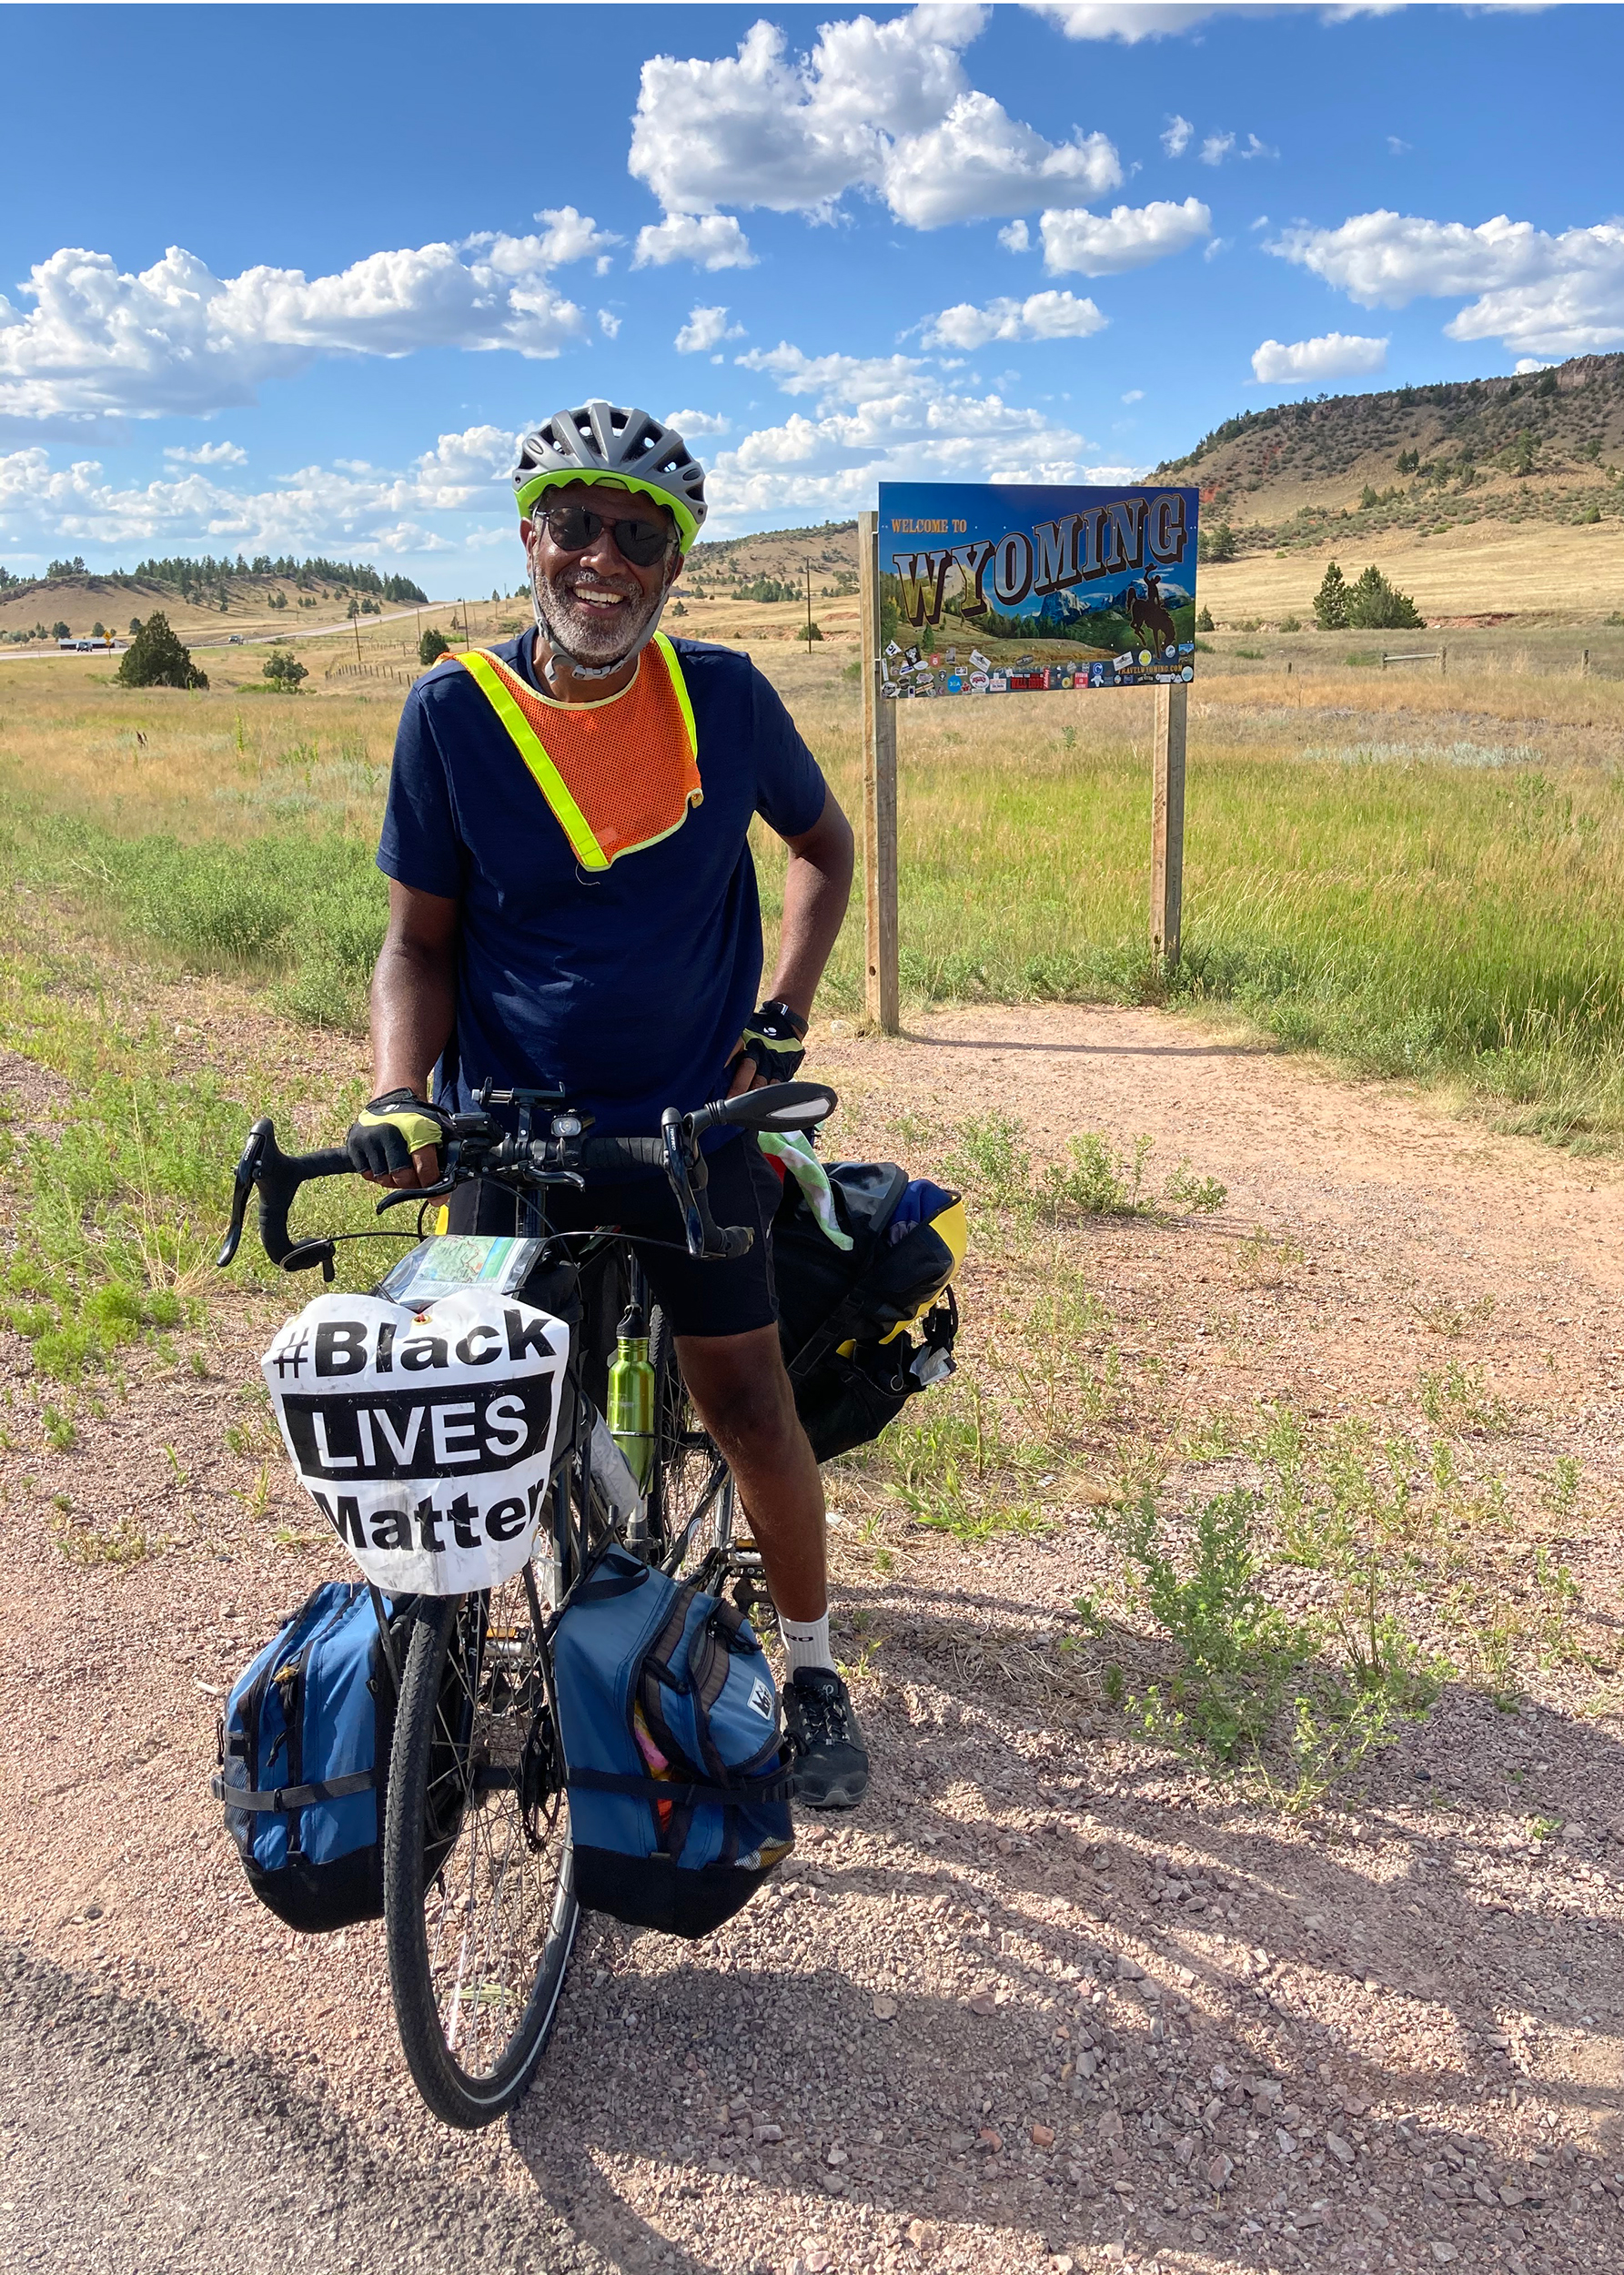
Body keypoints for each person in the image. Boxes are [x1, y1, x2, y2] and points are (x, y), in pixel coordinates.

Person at [348, 401, 866, 1809]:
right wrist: (400, 1095)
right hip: (503, 1130)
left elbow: (822, 849)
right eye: (574, 524)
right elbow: (417, 942)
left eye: (639, 536)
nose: (602, 559)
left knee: (749, 1402)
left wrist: (779, 1016)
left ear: (672, 565)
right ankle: (427, 1688)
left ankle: (812, 1665)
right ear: (529, 536)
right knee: (446, 1407)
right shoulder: (453, 710)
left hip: (693, 1132)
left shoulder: (725, 698)